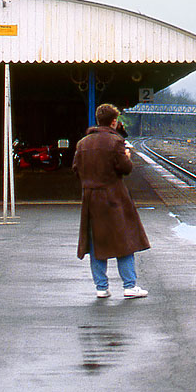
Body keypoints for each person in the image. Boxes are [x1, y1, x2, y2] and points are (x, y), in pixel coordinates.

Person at [73, 103, 151, 299]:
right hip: (114, 197)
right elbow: (125, 169)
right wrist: (126, 156)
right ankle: (129, 286)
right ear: (114, 122)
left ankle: (101, 287)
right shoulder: (116, 142)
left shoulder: (83, 143)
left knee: (95, 243)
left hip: (91, 198)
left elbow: (76, 169)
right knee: (124, 240)